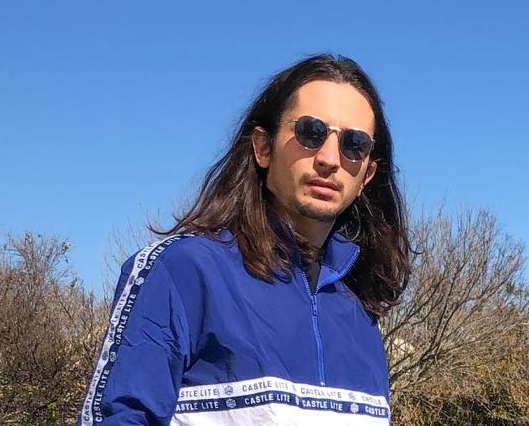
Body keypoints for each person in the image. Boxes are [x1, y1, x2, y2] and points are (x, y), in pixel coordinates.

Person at [79, 54, 410, 426]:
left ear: (366, 175)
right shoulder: (184, 270)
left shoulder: (360, 315)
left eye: (354, 144)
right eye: (311, 132)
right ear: (263, 148)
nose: (330, 159)